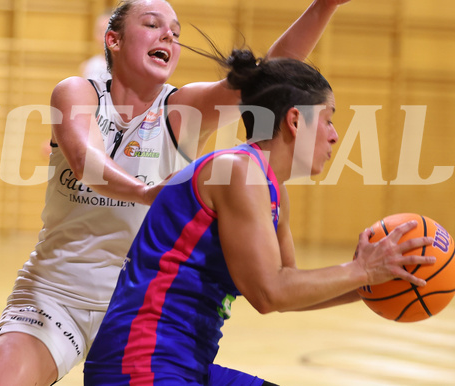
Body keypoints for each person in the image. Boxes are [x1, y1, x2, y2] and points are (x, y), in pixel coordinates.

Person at [0, 0, 377, 386]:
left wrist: (325, 4)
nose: (168, 34)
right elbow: (84, 159)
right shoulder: (79, 92)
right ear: (113, 39)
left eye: (176, 32)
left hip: (141, 306)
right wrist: (148, 192)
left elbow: (271, 78)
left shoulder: (181, 111)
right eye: (152, 24)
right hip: (59, 294)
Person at [83, 50, 436, 385]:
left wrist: (376, 282)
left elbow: (290, 287)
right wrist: (362, 271)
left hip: (185, 364)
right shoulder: (238, 171)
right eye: (328, 119)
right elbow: (269, 293)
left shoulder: (270, 187)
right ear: (295, 120)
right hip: (140, 364)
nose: (335, 134)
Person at [80, 11, 111, 81]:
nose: (103, 38)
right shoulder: (87, 66)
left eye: (108, 31)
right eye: (100, 31)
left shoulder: (128, 67)